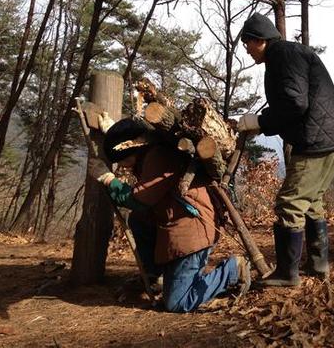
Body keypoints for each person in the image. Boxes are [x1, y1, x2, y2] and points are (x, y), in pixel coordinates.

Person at [237, 13, 334, 286]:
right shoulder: (287, 53)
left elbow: (294, 103)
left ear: (260, 40)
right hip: (330, 138)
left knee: (290, 203)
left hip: (315, 141)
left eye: (247, 44)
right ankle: (318, 264)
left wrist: (260, 122)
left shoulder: (282, 56)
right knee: (312, 200)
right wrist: (262, 123)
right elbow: (294, 100)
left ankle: (288, 274)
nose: (247, 50)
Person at [95, 117, 250, 312]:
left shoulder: (158, 156)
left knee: (178, 302)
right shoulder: (149, 153)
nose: (123, 166)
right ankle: (158, 275)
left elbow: (138, 200)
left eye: (123, 160)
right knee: (138, 219)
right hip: (181, 224)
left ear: (132, 147)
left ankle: (232, 270)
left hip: (192, 232)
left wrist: (109, 180)